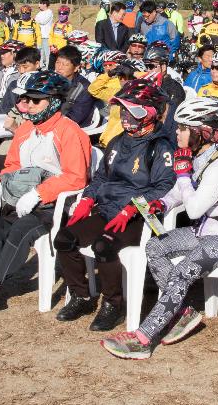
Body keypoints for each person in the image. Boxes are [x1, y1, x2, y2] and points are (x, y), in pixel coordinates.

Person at [101, 97, 218, 359]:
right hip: (207, 231)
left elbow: (194, 209)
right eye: (178, 127)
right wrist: (161, 203)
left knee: (183, 271)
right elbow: (180, 191)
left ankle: (143, 338)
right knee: (155, 245)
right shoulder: (202, 156)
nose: (177, 132)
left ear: (202, 132)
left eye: (184, 128)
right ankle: (182, 313)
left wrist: (184, 173)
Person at [0, 73, 91, 313]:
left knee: (20, 230)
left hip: (53, 206)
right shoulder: (25, 129)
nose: (29, 105)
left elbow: (76, 177)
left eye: (36, 101)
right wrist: (1, 184)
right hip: (20, 199)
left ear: (54, 101)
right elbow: (12, 164)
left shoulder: (69, 132)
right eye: (26, 100)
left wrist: (39, 194)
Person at [54, 80, 177, 331]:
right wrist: (88, 198)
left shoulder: (161, 146)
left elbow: (164, 186)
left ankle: (114, 304)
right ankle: (81, 296)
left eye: (132, 111)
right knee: (64, 238)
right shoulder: (118, 141)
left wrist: (133, 208)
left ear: (149, 113)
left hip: (139, 216)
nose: (125, 117)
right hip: (108, 208)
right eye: (123, 111)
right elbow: (101, 177)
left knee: (104, 245)